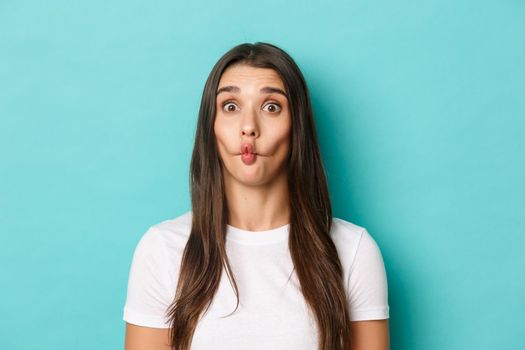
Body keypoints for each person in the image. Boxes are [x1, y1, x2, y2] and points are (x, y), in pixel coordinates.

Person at [123, 42, 390, 350]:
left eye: (271, 107)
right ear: (211, 126)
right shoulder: (161, 250)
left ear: (296, 127)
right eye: (231, 107)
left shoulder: (353, 251)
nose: (249, 127)